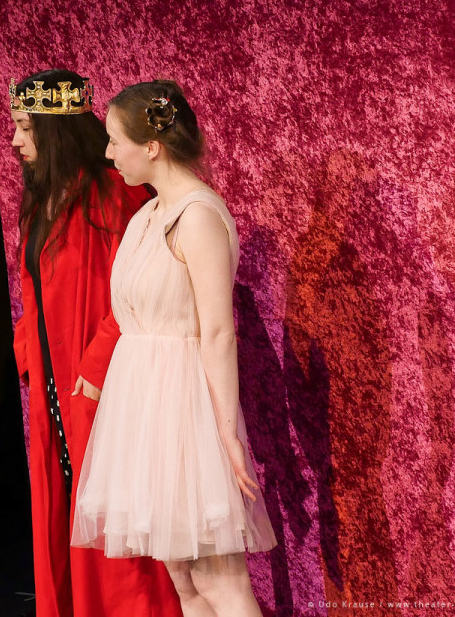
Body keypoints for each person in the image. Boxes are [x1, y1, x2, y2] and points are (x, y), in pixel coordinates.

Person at [71, 80, 277, 617]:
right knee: (185, 584)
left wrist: (227, 433)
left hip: (185, 411)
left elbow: (218, 332)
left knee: (220, 583)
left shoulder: (198, 215)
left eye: (115, 141)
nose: (108, 153)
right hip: (146, 410)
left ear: (152, 146)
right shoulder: (146, 215)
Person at [10, 69, 182, 617]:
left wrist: (96, 365)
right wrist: (27, 358)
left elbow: (137, 292)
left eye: (25, 128)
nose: (15, 141)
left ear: (55, 131)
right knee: (68, 509)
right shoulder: (42, 202)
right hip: (55, 387)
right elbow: (33, 294)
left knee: (118, 525)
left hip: (105, 385)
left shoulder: (116, 197)